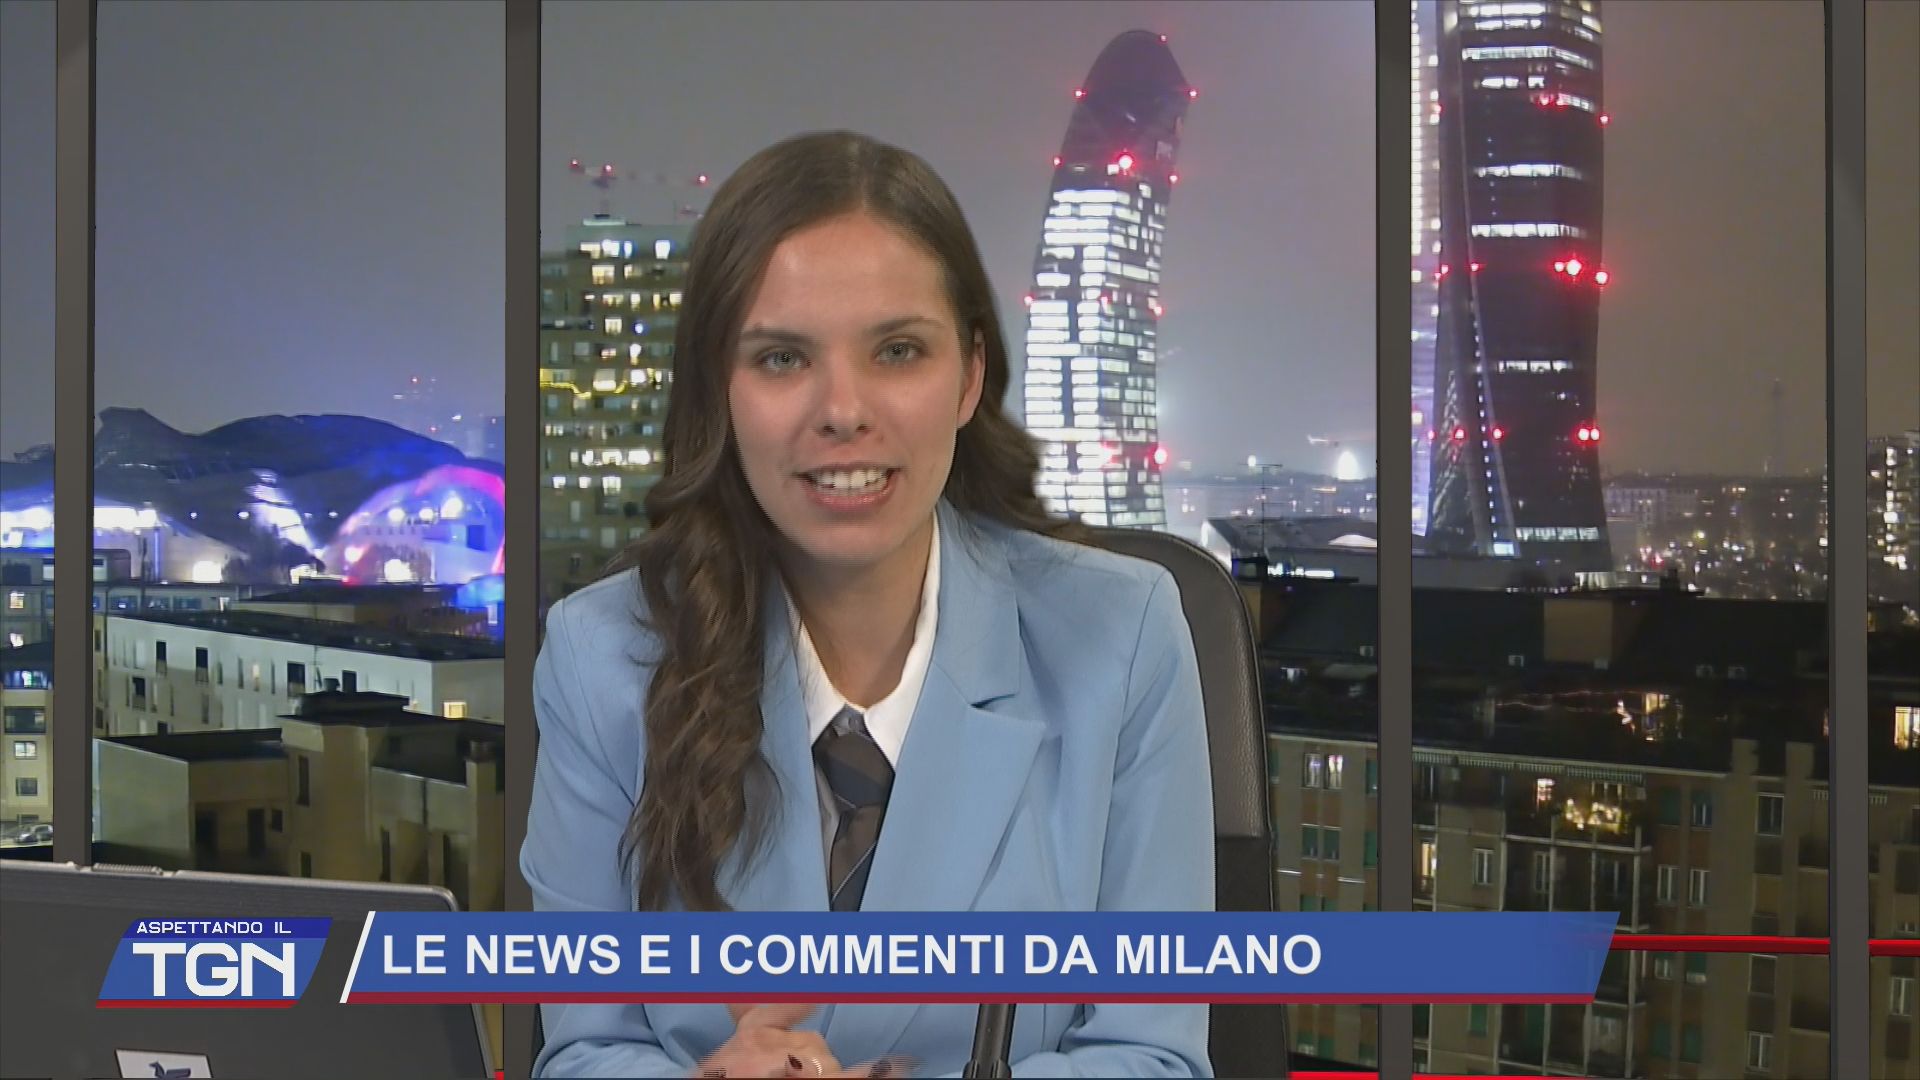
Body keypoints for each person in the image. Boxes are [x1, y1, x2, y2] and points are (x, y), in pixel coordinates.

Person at [523, 130, 1214, 1079]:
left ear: (970, 375)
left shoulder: (1121, 636)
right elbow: (584, 1051)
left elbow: (1151, 1055)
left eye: (897, 350)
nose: (843, 410)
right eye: (781, 359)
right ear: (720, 390)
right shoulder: (600, 656)